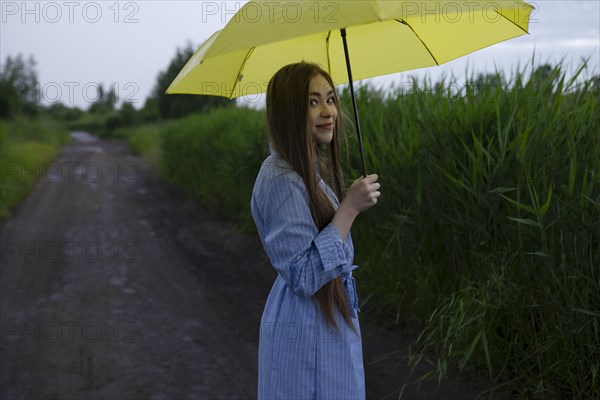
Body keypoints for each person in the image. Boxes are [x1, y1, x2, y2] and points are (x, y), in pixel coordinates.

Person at [250, 61, 381, 399]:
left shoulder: (304, 170)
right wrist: (349, 208)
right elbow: (304, 274)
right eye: (312, 102)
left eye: (331, 98)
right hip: (305, 331)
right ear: (289, 111)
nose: (328, 111)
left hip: (324, 323)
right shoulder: (281, 178)